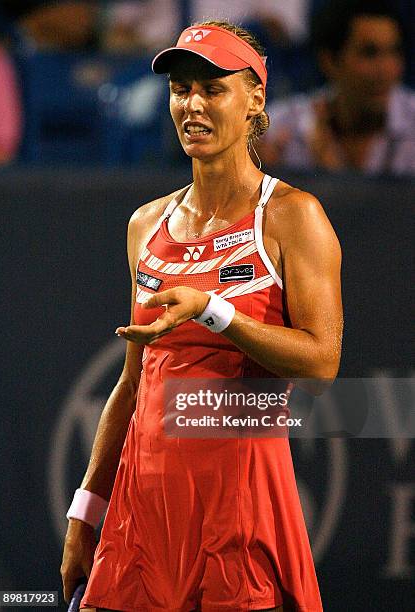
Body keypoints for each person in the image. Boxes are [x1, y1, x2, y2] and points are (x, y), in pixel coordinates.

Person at [61, 21, 343, 612]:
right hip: (141, 517)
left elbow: (322, 359)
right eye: (180, 89)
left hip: (239, 513)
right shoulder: (147, 225)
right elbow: (133, 384)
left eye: (213, 89)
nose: (192, 104)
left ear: (255, 100)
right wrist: (87, 511)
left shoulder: (292, 215)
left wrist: (215, 311)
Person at [259, 0, 415, 175]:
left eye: (394, 52)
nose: (387, 69)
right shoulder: (282, 131)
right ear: (329, 61)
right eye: (369, 53)